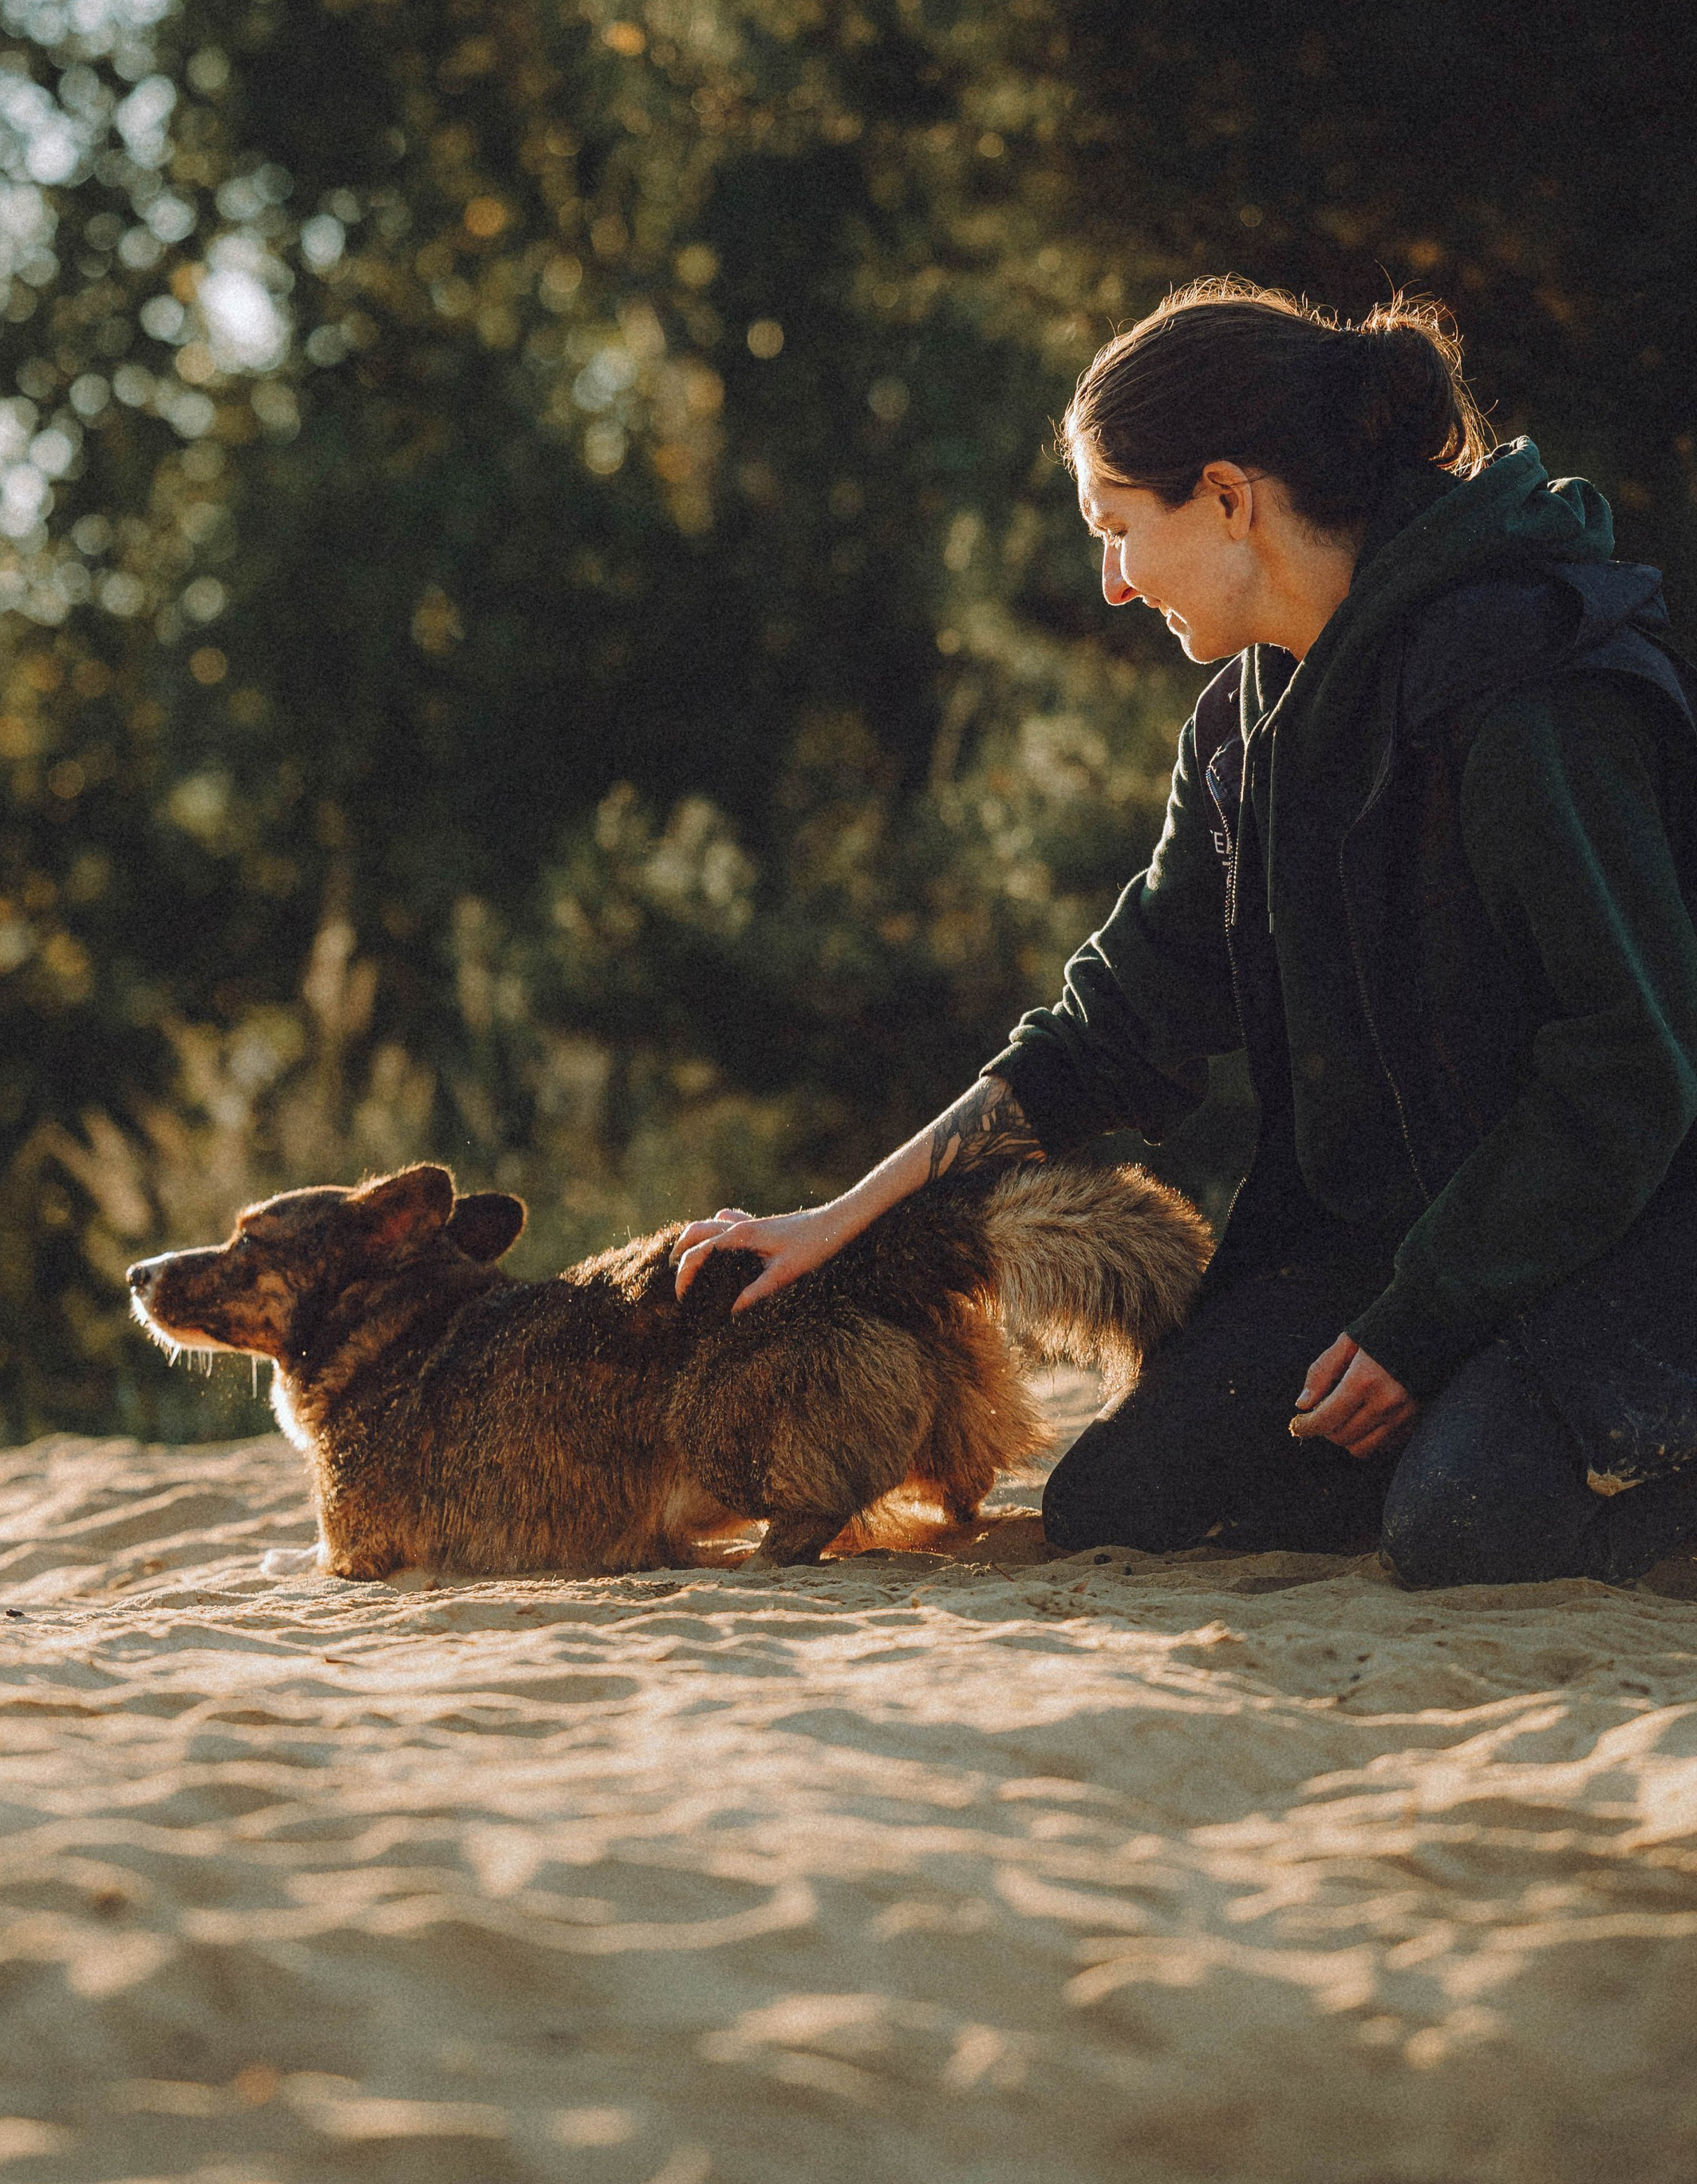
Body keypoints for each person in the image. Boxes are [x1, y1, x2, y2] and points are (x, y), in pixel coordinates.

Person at [673, 281, 1697, 1587]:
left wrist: (1430, 1321)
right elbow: (1115, 1021)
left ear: (1227, 497)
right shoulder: (1240, 732)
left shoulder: (1528, 691)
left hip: (1636, 1233)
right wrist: (844, 1217)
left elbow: (1632, 1072)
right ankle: (1466, 1421)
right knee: (1127, 1498)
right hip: (1397, 1257)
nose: (1107, 583)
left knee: (1467, 1530)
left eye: (1116, 527)